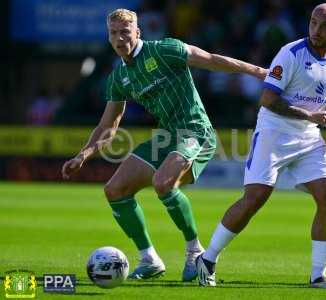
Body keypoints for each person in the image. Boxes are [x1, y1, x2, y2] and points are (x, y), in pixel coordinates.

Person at [61, 8, 267, 282]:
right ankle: (149, 259)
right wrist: (83, 155)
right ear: (109, 38)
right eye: (114, 33)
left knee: (163, 182)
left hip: (197, 131)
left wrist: (257, 71)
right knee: (114, 190)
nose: (120, 38)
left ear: (138, 32)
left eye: (125, 31)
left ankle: (195, 252)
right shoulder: (118, 78)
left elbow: (211, 60)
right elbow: (108, 126)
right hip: (167, 137)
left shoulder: (164, 50)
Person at [196, 3, 326, 290]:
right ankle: (207, 260)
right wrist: (312, 116)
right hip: (274, 131)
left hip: (309, 137)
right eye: (314, 22)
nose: (317, 29)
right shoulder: (290, 54)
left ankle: (318, 276)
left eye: (325, 25)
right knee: (255, 197)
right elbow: (268, 100)